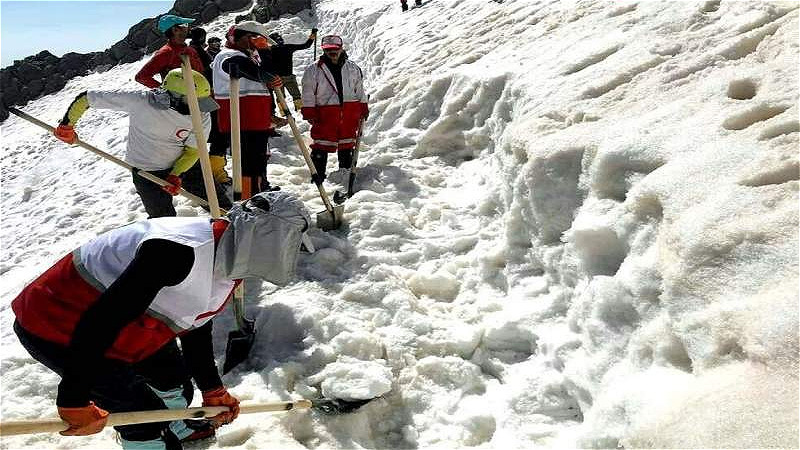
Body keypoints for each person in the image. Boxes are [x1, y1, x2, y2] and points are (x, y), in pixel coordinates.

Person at [11, 191, 311, 450]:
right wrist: (73, 398)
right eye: (290, 246)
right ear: (267, 239)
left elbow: (194, 319)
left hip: (124, 319)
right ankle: (151, 436)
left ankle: (176, 425)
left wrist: (212, 388)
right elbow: (101, 323)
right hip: (57, 321)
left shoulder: (229, 256)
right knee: (138, 413)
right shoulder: (174, 251)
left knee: (175, 383)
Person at [54, 69, 217, 218]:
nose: (200, 108)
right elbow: (86, 98)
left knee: (214, 201)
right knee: (163, 219)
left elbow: (193, 151)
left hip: (185, 163)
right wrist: (67, 125)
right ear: (174, 96)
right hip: (147, 170)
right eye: (195, 102)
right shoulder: (140, 101)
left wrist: (176, 173)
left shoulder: (201, 116)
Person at [211, 21, 284, 196]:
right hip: (241, 121)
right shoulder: (228, 57)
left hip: (254, 119)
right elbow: (264, 75)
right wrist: (265, 53)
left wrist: (269, 115)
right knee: (249, 165)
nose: (260, 46)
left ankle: (259, 192)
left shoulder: (248, 56)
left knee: (258, 162)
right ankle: (248, 197)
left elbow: (261, 83)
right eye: (258, 41)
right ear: (248, 37)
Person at [300, 35, 368, 184]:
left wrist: (363, 106)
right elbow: (308, 92)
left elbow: (360, 90)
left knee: (347, 145)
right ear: (324, 50)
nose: (332, 52)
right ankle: (317, 180)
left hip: (349, 113)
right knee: (321, 146)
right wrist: (309, 111)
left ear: (341, 48)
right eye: (328, 50)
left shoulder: (353, 68)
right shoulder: (313, 70)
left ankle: (345, 178)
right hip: (325, 115)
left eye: (335, 49)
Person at [135, 15, 204, 89]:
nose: (189, 28)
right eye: (185, 25)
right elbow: (141, 77)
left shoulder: (190, 49)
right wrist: (166, 91)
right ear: (175, 30)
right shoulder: (166, 53)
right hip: (186, 99)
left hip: (202, 94)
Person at [267, 29, 317, 111]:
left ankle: (284, 113)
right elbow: (306, 45)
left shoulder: (269, 50)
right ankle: (300, 111)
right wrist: (313, 35)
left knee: (280, 98)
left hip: (277, 79)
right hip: (289, 77)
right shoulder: (288, 47)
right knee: (296, 96)